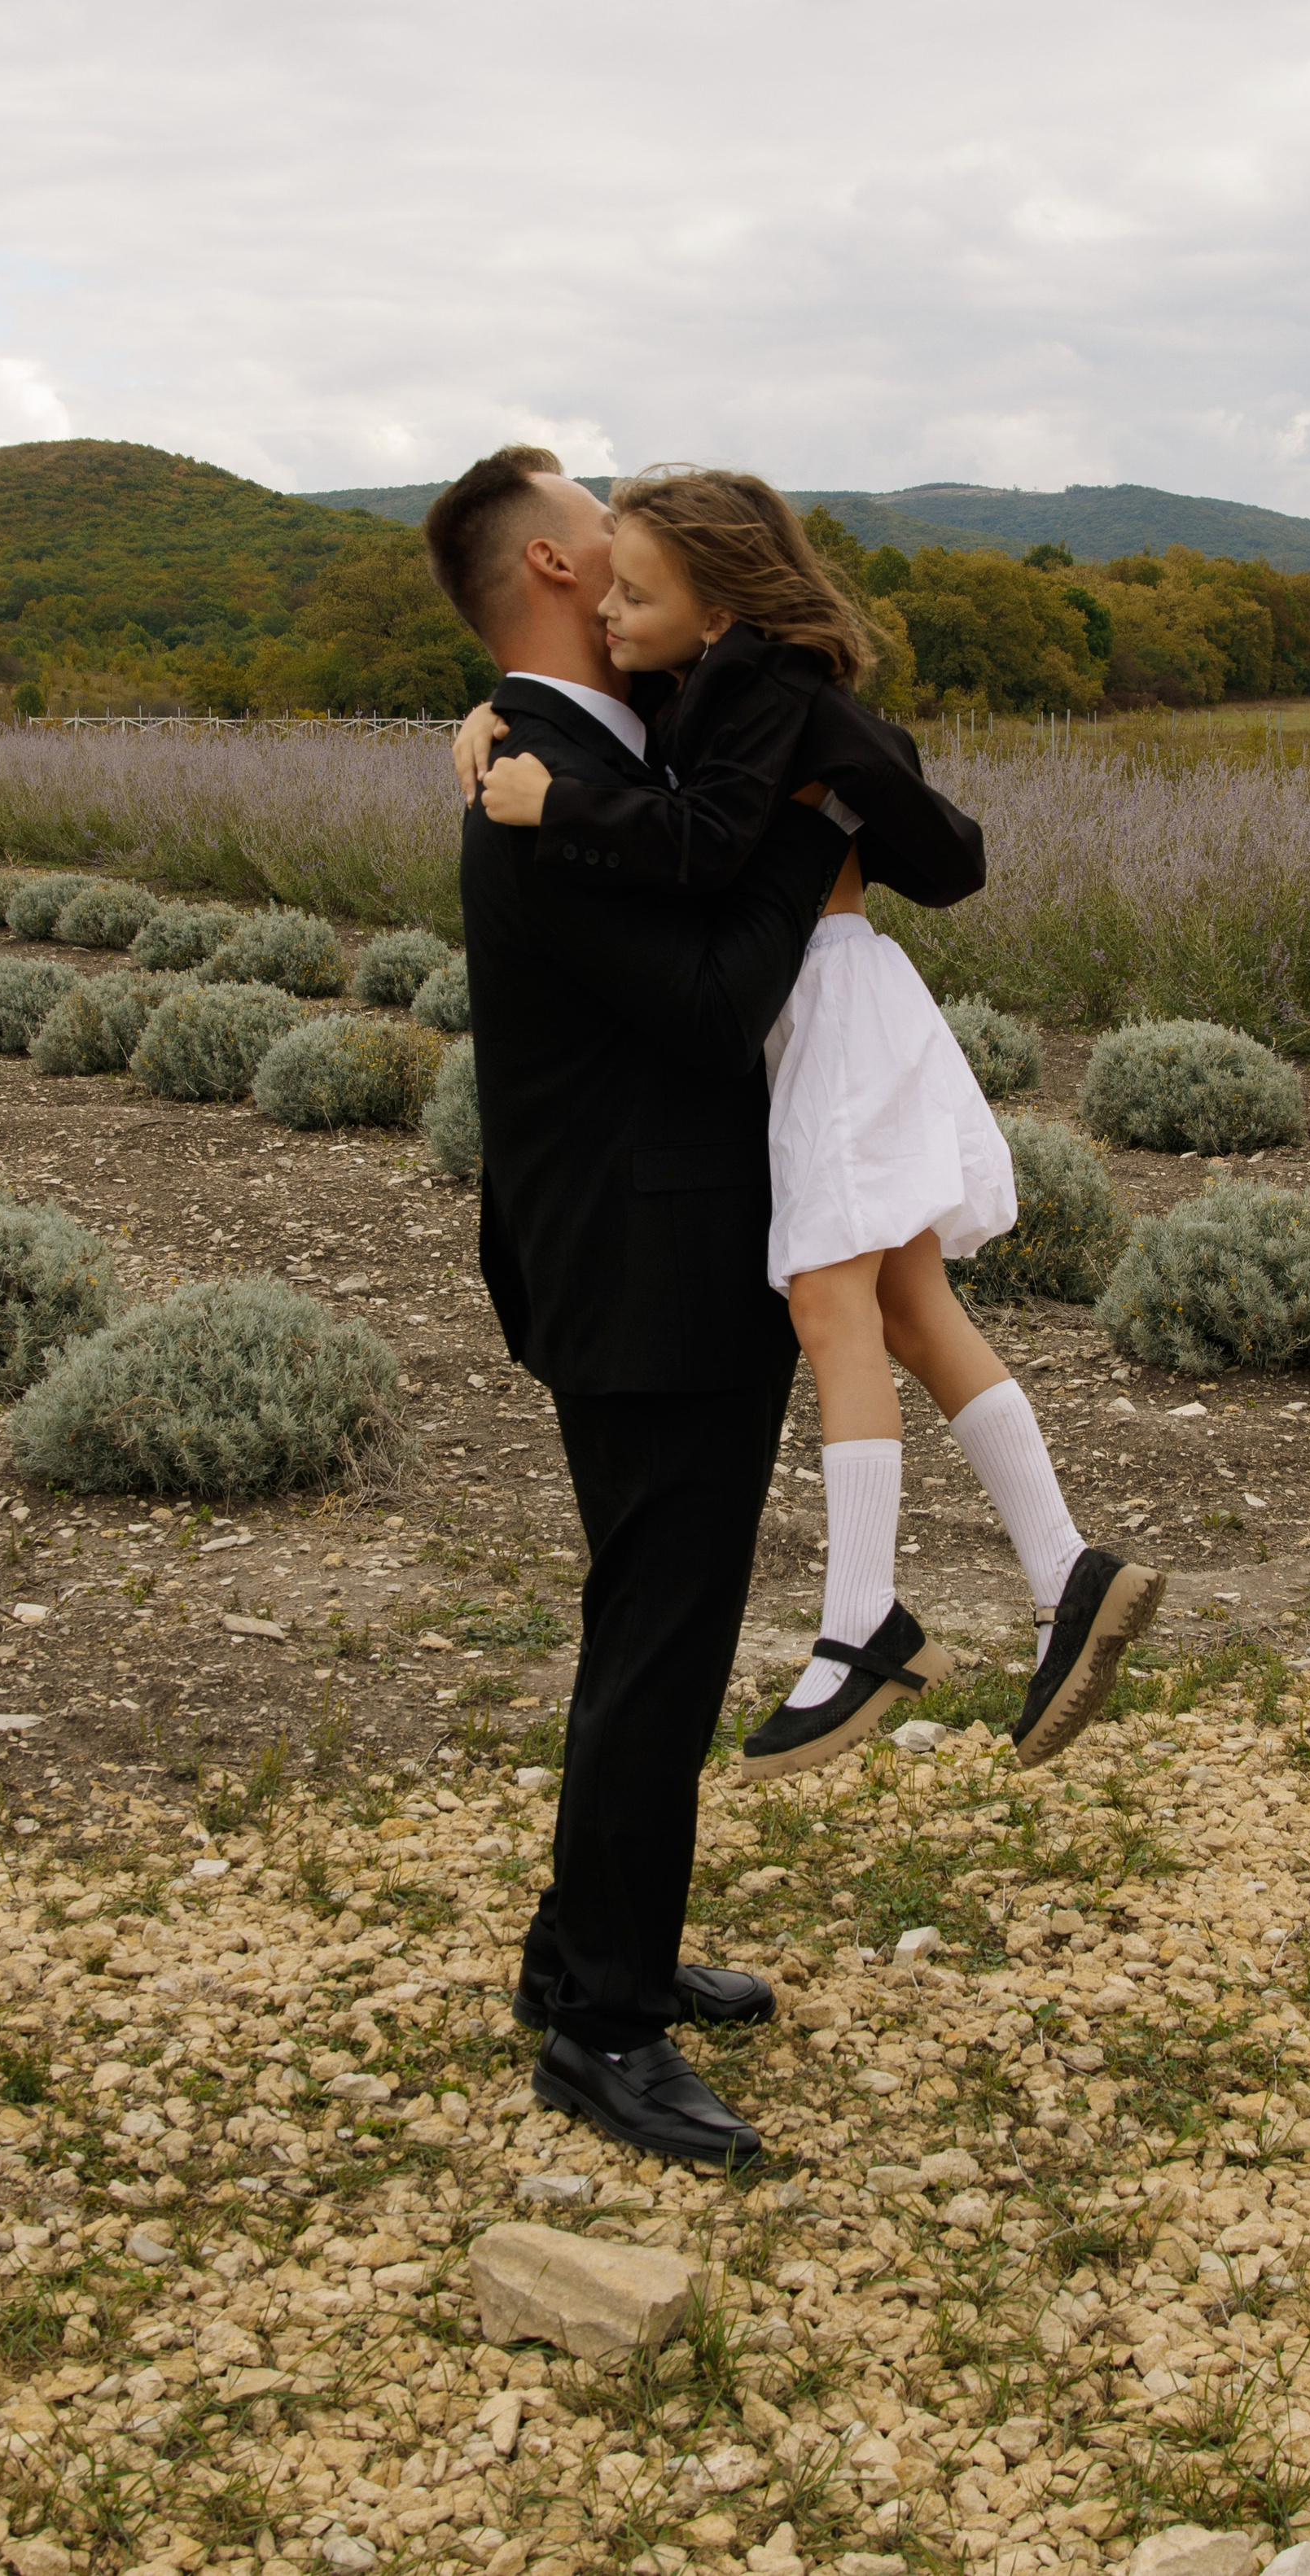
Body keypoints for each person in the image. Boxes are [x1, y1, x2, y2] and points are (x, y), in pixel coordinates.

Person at [456, 465, 1163, 1783]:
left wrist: (563, 802)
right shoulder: (716, 680)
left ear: (720, 602)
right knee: (910, 1306)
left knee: (831, 1308)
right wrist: (498, 705)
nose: (613, 607)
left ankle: (861, 1627)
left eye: (640, 589)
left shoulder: (774, 688)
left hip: (830, 1005)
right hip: (827, 1009)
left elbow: (715, 837)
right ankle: (1069, 1569)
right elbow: (634, 724)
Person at [424, 444, 852, 2171]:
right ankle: (600, 2026)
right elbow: (704, 1003)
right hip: (645, 1267)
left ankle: (582, 1950)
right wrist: (809, 852)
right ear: (547, 563)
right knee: (660, 1644)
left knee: (648, 1624)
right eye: (598, 522)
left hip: (639, 1249)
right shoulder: (537, 772)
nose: (625, 543)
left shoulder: (587, 745)